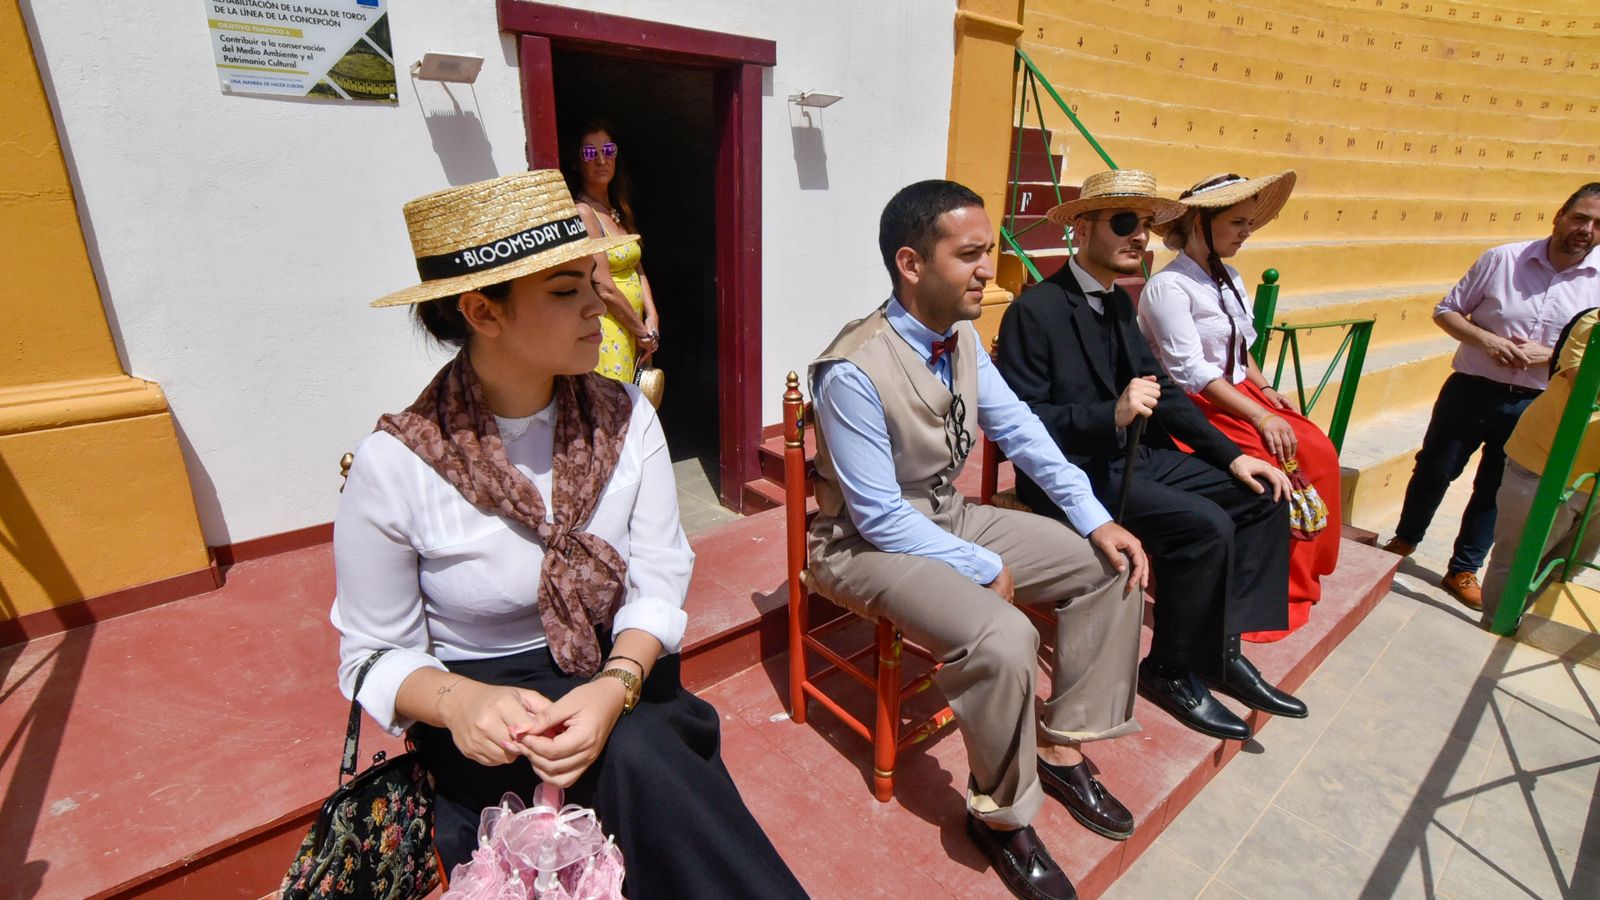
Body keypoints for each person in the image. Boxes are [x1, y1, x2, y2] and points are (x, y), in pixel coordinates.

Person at [331, 170, 806, 898]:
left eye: (594, 278)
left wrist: (615, 686)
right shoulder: (398, 464)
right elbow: (371, 655)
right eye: (565, 291)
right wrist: (460, 704)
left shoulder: (626, 417)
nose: (599, 305)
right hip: (483, 728)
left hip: (622, 676)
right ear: (482, 312)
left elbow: (657, 573)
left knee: (642, 753)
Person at [808, 179, 1151, 900]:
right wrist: (980, 562)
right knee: (1001, 638)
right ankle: (1000, 817)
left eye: (987, 250)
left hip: (942, 516)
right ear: (911, 263)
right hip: (864, 546)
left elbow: (1021, 430)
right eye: (969, 255)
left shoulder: (959, 336)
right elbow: (875, 517)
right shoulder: (852, 370)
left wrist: (1097, 518)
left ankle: (1059, 745)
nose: (988, 269)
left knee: (1108, 566)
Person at [998, 169, 1306, 748]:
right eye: (1123, 223)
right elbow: (1021, 424)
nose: (1139, 237)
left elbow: (1162, 388)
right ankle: (1167, 669)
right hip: (1072, 475)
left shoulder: (1119, 304)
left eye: (1144, 224)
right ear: (1082, 229)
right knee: (1205, 526)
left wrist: (1231, 455)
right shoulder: (1033, 312)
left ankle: (1219, 652)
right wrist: (1107, 415)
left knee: (1260, 496)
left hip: (1132, 459)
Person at [1140, 170, 1342, 640]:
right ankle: (1259, 592)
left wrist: (1266, 390)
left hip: (1239, 394)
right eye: (1237, 222)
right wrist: (1259, 416)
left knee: (1319, 453)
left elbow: (1237, 349)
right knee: (1275, 471)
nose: (1247, 232)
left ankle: (1301, 577)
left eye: (1249, 223)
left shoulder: (1228, 276)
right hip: (1194, 406)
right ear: (1200, 223)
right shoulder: (1168, 288)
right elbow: (1191, 371)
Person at [1384, 182, 1600, 609]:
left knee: (1495, 490)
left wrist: (1550, 355)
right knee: (1433, 469)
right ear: (1559, 215)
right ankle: (1403, 541)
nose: (1586, 229)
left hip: (1534, 403)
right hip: (1470, 388)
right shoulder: (1503, 259)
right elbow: (1446, 310)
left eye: (1597, 224)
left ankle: (1463, 569)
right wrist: (1488, 341)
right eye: (1580, 217)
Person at [1481, 306, 1600, 627]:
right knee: (1519, 561)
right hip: (1545, 463)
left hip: (1594, 480)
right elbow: (1585, 378)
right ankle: (1496, 628)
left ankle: (1522, 632)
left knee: (1567, 567)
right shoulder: (1594, 322)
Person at [564, 118, 660, 386]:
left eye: (608, 150)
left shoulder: (619, 208)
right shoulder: (585, 212)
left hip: (636, 328)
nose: (601, 160)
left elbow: (636, 265)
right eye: (590, 153)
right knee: (617, 409)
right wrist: (642, 331)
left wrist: (652, 315)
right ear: (576, 161)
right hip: (610, 328)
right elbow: (603, 286)